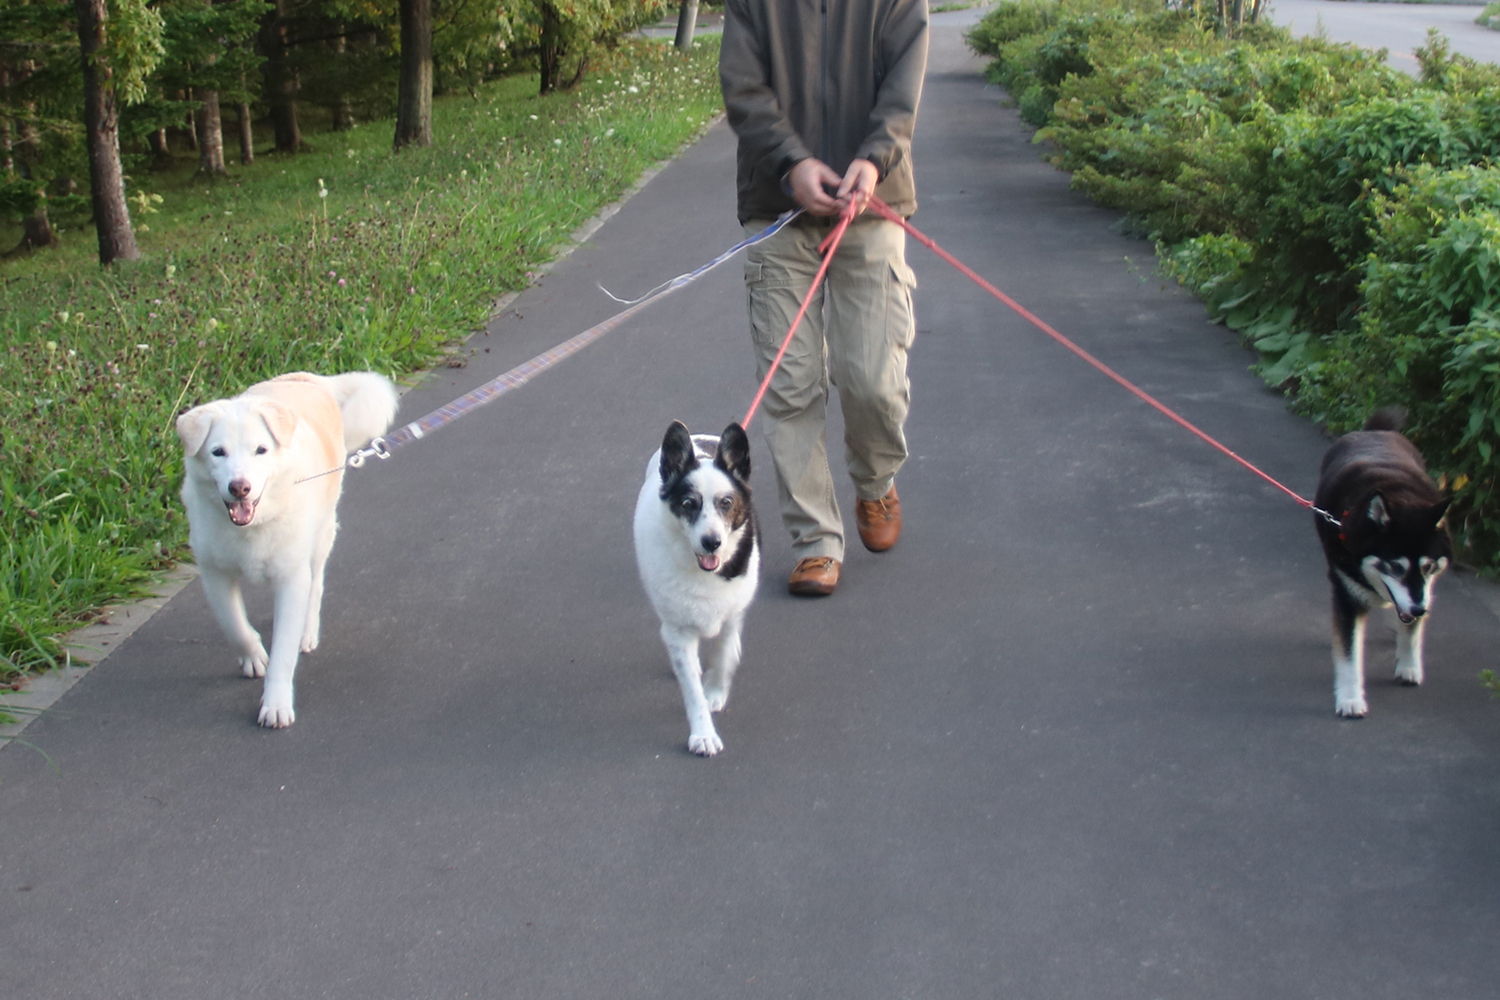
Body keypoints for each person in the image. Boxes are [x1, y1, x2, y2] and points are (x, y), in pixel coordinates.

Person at [719, 0, 929, 596]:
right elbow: (743, 85)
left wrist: (873, 158)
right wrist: (793, 164)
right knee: (790, 382)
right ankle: (815, 541)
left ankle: (876, 481)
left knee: (873, 378)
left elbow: (903, 85)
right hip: (778, 204)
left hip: (873, 197)